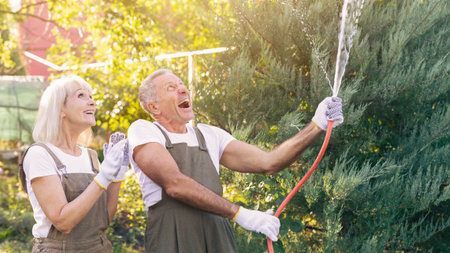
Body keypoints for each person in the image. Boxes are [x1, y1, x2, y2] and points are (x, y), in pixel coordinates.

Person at [128, 69, 344, 252]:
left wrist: (317, 124)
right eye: (171, 88)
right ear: (154, 107)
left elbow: (269, 162)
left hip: (217, 240)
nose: (183, 90)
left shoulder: (210, 136)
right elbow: (174, 184)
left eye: (182, 84)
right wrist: (240, 214)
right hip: (173, 240)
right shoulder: (143, 130)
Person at [19, 76, 129, 252]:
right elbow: (64, 223)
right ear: (60, 109)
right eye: (81, 96)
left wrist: (116, 176)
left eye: (91, 97)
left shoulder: (90, 156)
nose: (92, 102)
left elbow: (104, 219)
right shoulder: (40, 154)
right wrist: (102, 178)